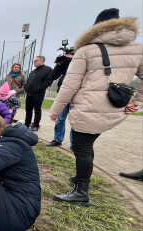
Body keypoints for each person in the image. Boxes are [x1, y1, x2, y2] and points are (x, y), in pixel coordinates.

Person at [49, 8, 143, 206]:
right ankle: (81, 178)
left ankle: (81, 191)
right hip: (115, 107)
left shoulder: (87, 50)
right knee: (87, 145)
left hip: (88, 107)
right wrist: (138, 101)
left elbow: (70, 84)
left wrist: (56, 109)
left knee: (81, 147)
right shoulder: (137, 49)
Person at [46, 52, 74, 148]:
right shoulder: (65, 63)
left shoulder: (81, 60)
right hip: (63, 94)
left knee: (75, 120)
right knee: (60, 118)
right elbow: (53, 76)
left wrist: (74, 60)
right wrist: (59, 64)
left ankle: (74, 143)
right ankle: (57, 139)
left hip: (77, 96)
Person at [24, 56, 53, 131]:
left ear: (42, 61)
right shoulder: (34, 71)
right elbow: (28, 81)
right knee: (28, 109)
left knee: (37, 110)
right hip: (29, 94)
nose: (34, 62)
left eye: (36, 60)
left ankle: (36, 125)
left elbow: (48, 81)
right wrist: (26, 88)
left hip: (38, 94)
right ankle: (27, 124)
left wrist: (39, 89)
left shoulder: (47, 69)